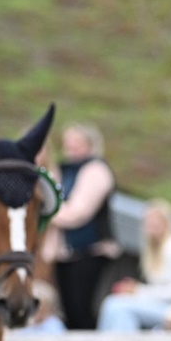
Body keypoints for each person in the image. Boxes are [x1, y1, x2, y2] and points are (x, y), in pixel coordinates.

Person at [48, 122, 119, 329]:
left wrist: (46, 212)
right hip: (65, 253)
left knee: (81, 308)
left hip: (88, 251)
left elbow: (77, 213)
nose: (69, 146)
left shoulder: (96, 170)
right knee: (68, 310)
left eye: (76, 142)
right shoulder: (65, 170)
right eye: (67, 141)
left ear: (90, 144)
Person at [96, 198, 171, 332]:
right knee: (112, 303)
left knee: (118, 308)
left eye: (156, 220)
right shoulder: (154, 250)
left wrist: (138, 291)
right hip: (166, 306)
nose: (151, 224)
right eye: (148, 220)